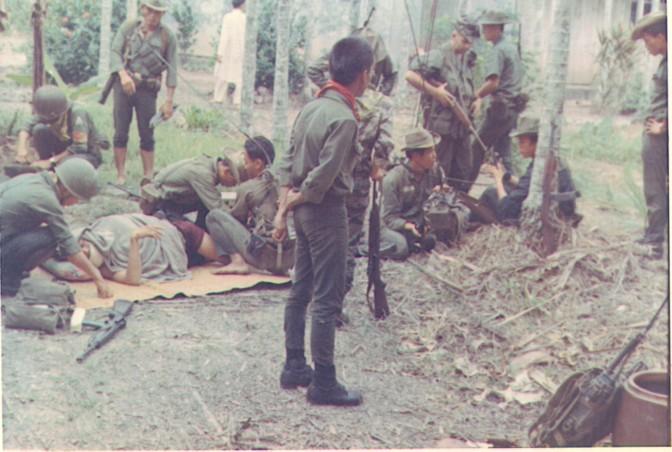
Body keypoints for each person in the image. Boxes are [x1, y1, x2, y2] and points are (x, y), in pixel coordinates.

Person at [273, 36, 373, 406]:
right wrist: (298, 199)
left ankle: (294, 365)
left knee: (301, 288)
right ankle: (324, 382)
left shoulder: (311, 108)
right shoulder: (344, 118)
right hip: (326, 211)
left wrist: (285, 207)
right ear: (364, 75)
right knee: (327, 299)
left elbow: (287, 161)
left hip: (303, 211)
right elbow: (324, 176)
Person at [0, 158, 112, 298]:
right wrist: (97, 277)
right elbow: (69, 247)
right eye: (76, 198)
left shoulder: (31, 178)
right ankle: (6, 283)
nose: (75, 203)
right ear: (66, 189)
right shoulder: (47, 199)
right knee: (51, 237)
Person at [42, 213, 225, 285]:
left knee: (227, 257)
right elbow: (133, 279)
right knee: (218, 258)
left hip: (181, 235)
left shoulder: (99, 228)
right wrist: (134, 242)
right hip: (182, 258)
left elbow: (136, 219)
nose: (84, 249)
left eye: (82, 245)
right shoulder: (105, 269)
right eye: (81, 254)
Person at [405, 19, 479, 192]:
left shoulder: (466, 60)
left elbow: (466, 89)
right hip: (442, 130)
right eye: (465, 41)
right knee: (438, 172)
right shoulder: (438, 55)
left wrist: (477, 100)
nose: (468, 46)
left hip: (462, 129)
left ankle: (454, 206)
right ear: (454, 36)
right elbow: (410, 75)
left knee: (463, 172)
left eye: (470, 43)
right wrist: (435, 92)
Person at [110, 0, 178, 185]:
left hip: (147, 90)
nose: (154, 16)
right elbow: (115, 52)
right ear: (143, 9)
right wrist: (123, 75)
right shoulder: (129, 27)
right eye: (151, 11)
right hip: (124, 86)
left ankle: (148, 176)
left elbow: (172, 70)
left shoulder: (167, 36)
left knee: (147, 133)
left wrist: (169, 101)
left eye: (158, 12)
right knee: (120, 132)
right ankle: (120, 174)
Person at [206, 137, 294, 275]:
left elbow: (235, 219)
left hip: (264, 257)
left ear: (258, 163)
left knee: (214, 216)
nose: (245, 167)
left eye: (246, 162)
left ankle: (237, 261)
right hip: (289, 259)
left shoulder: (247, 188)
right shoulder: (284, 183)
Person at [477, 116, 577, 223]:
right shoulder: (551, 159)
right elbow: (530, 185)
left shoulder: (541, 166)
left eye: (522, 142)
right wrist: (506, 176)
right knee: (506, 189)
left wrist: (498, 179)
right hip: (558, 210)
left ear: (537, 143)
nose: (519, 146)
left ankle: (471, 224)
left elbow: (506, 209)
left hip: (547, 216)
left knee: (490, 193)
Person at [468, 10, 524, 183]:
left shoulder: (498, 50)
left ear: (497, 28)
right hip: (512, 109)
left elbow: (493, 83)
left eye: (487, 27)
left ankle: (463, 189)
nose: (484, 30)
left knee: (476, 148)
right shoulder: (511, 48)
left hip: (500, 109)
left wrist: (475, 95)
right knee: (503, 154)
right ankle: (512, 190)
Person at [631, 11, 667, 259]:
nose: (646, 47)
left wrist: (664, 127)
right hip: (657, 134)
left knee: (655, 189)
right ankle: (653, 236)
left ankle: (654, 243)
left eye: (648, 41)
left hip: (660, 137)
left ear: (661, 37)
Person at [380, 128, 444, 260]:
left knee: (433, 239)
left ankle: (413, 241)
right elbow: (388, 218)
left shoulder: (435, 171)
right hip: (392, 226)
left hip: (418, 224)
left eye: (434, 150)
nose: (435, 156)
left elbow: (439, 199)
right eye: (430, 152)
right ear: (415, 156)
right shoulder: (393, 179)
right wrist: (406, 225)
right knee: (401, 249)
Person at [140, 152, 240, 230]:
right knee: (189, 234)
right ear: (226, 172)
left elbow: (216, 194)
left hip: (177, 199)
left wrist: (237, 196)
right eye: (234, 182)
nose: (234, 185)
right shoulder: (203, 174)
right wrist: (240, 213)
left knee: (206, 203)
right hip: (163, 203)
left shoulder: (209, 164)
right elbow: (218, 208)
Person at [13, 85, 104, 172]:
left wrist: (51, 161)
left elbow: (79, 147)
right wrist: (21, 149)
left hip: (86, 154)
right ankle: (47, 168)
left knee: (68, 164)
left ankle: (52, 167)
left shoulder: (77, 113)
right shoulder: (51, 109)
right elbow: (27, 126)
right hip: (66, 148)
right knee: (39, 130)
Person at [307, 27, 397, 96]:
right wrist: (332, 87)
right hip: (343, 96)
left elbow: (391, 74)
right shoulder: (342, 52)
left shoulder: (381, 54)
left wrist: (381, 93)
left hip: (368, 100)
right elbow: (313, 69)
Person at [213, 0, 246, 105]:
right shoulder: (245, 18)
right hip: (240, 50)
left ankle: (218, 98)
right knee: (240, 76)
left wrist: (220, 52)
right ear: (242, 5)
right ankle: (237, 101)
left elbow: (224, 36)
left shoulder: (228, 17)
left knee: (222, 74)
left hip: (228, 49)